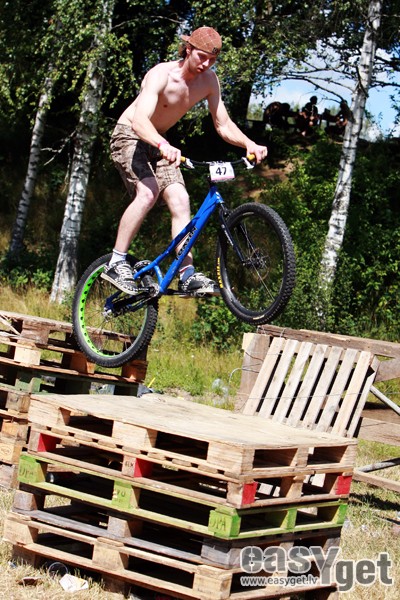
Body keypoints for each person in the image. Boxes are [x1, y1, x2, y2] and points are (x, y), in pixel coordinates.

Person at [102, 26, 268, 296]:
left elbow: (223, 124)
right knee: (148, 192)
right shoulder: (161, 74)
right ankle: (116, 261)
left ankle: (187, 274)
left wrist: (248, 143)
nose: (206, 64)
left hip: (160, 141)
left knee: (181, 199)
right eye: (202, 57)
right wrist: (162, 144)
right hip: (130, 135)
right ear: (188, 49)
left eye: (212, 60)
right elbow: (140, 121)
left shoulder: (209, 81)